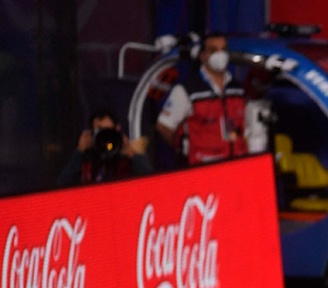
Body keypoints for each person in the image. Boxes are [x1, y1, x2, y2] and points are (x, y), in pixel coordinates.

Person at [156, 33, 248, 165]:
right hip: (204, 168)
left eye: (223, 50)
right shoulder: (187, 89)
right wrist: (183, 148)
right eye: (213, 50)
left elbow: (245, 126)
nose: (220, 55)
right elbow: (164, 125)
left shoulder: (238, 89)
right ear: (203, 55)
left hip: (237, 165)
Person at [56, 109, 152, 186]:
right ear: (92, 133)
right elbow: (61, 184)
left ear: (117, 129)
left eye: (108, 131)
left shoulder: (127, 155)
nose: (105, 137)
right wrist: (79, 151)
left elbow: (151, 181)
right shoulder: (87, 157)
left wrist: (131, 153)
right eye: (100, 132)